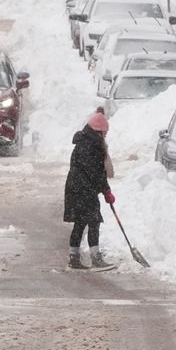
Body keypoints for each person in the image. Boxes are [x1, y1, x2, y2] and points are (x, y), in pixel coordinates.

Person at [64, 112, 114, 270]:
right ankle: (96, 258)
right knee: (94, 221)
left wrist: (105, 190)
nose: (105, 135)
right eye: (104, 132)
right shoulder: (93, 146)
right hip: (84, 189)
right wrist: (106, 191)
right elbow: (97, 173)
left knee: (80, 223)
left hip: (76, 188)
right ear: (98, 131)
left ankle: (74, 258)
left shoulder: (83, 142)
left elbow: (94, 172)